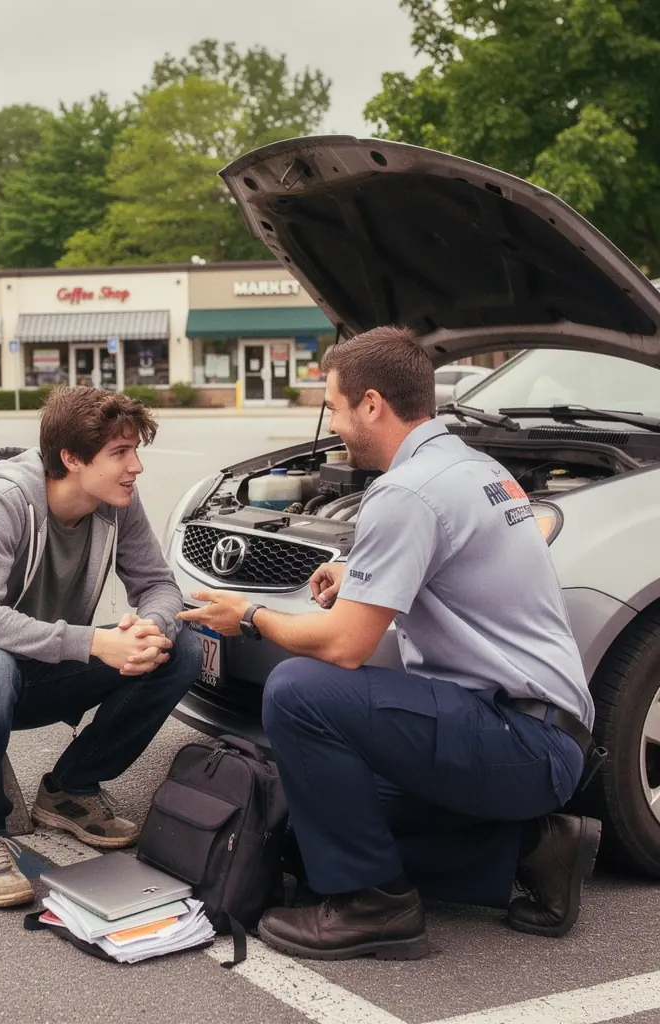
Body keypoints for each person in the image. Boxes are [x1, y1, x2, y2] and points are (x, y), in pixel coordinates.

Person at [179, 326, 601, 961]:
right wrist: (358, 572)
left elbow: (345, 646)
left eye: (335, 407)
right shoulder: (470, 466)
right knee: (307, 825)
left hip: (520, 737)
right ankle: (536, 849)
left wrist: (250, 615)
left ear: (372, 404)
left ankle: (375, 906)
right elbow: (456, 558)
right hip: (539, 734)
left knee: (296, 690)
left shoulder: (405, 491)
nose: (333, 425)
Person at [0, 386, 201, 909]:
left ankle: (70, 790)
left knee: (182, 645)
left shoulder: (116, 503)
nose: (136, 466)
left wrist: (149, 628)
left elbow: (158, 585)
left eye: (134, 450)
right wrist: (95, 642)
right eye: (120, 452)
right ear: (72, 458)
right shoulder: (3, 502)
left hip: (37, 671)